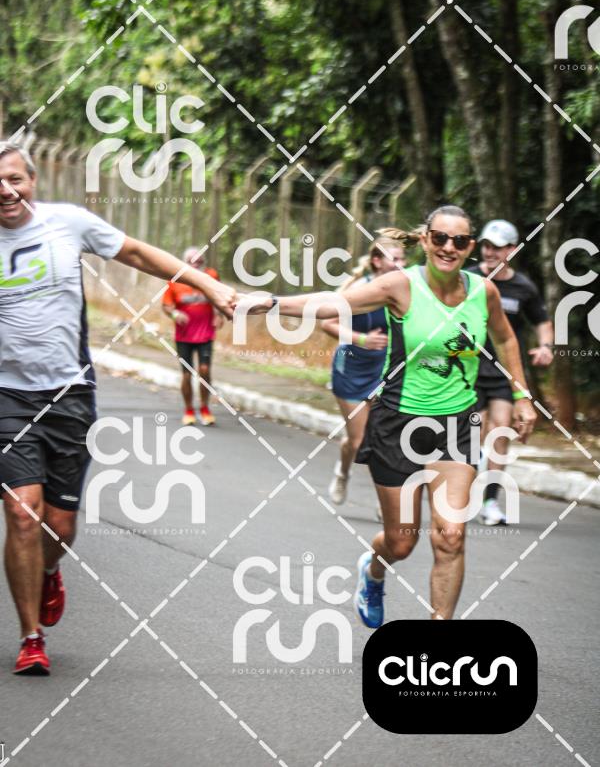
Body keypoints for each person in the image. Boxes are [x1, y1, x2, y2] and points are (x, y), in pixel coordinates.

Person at [0, 142, 235, 675]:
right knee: (21, 512)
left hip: (68, 394)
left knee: (59, 526)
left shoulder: (67, 223)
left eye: (16, 179)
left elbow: (138, 254)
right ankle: (31, 636)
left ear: (33, 181)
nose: (7, 191)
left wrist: (204, 284)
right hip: (7, 396)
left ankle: (48, 571)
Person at [238, 205, 536, 623]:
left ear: (470, 247)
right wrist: (271, 303)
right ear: (426, 239)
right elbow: (333, 304)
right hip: (398, 423)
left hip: (457, 425)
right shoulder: (400, 285)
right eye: (440, 238)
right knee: (401, 542)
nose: (448, 247)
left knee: (451, 536)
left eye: (459, 241)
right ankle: (373, 570)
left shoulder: (482, 292)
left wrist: (522, 394)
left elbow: (505, 339)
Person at [467, 220, 554, 526]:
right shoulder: (468, 280)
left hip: (504, 372)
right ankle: (464, 483)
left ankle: (490, 502)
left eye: (498, 247)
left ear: (512, 250)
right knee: (474, 433)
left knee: (501, 430)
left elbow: (542, 322)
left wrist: (545, 346)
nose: (490, 252)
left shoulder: (523, 287)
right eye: (486, 246)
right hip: (469, 369)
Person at [320, 229, 406, 505]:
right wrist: (362, 339)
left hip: (384, 371)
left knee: (383, 439)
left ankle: (387, 502)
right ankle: (343, 472)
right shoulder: (358, 290)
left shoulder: (404, 290)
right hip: (351, 370)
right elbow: (327, 323)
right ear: (377, 261)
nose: (400, 265)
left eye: (403, 259)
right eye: (394, 259)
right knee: (358, 441)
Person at [162, 247, 223, 426]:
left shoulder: (211, 276)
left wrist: (219, 314)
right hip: (184, 336)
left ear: (204, 262)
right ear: (185, 263)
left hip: (206, 334)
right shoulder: (175, 279)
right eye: (192, 261)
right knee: (187, 374)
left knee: (204, 370)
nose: (196, 264)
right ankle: (189, 410)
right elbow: (166, 306)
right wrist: (175, 314)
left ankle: (204, 408)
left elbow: (219, 297)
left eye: (199, 261)